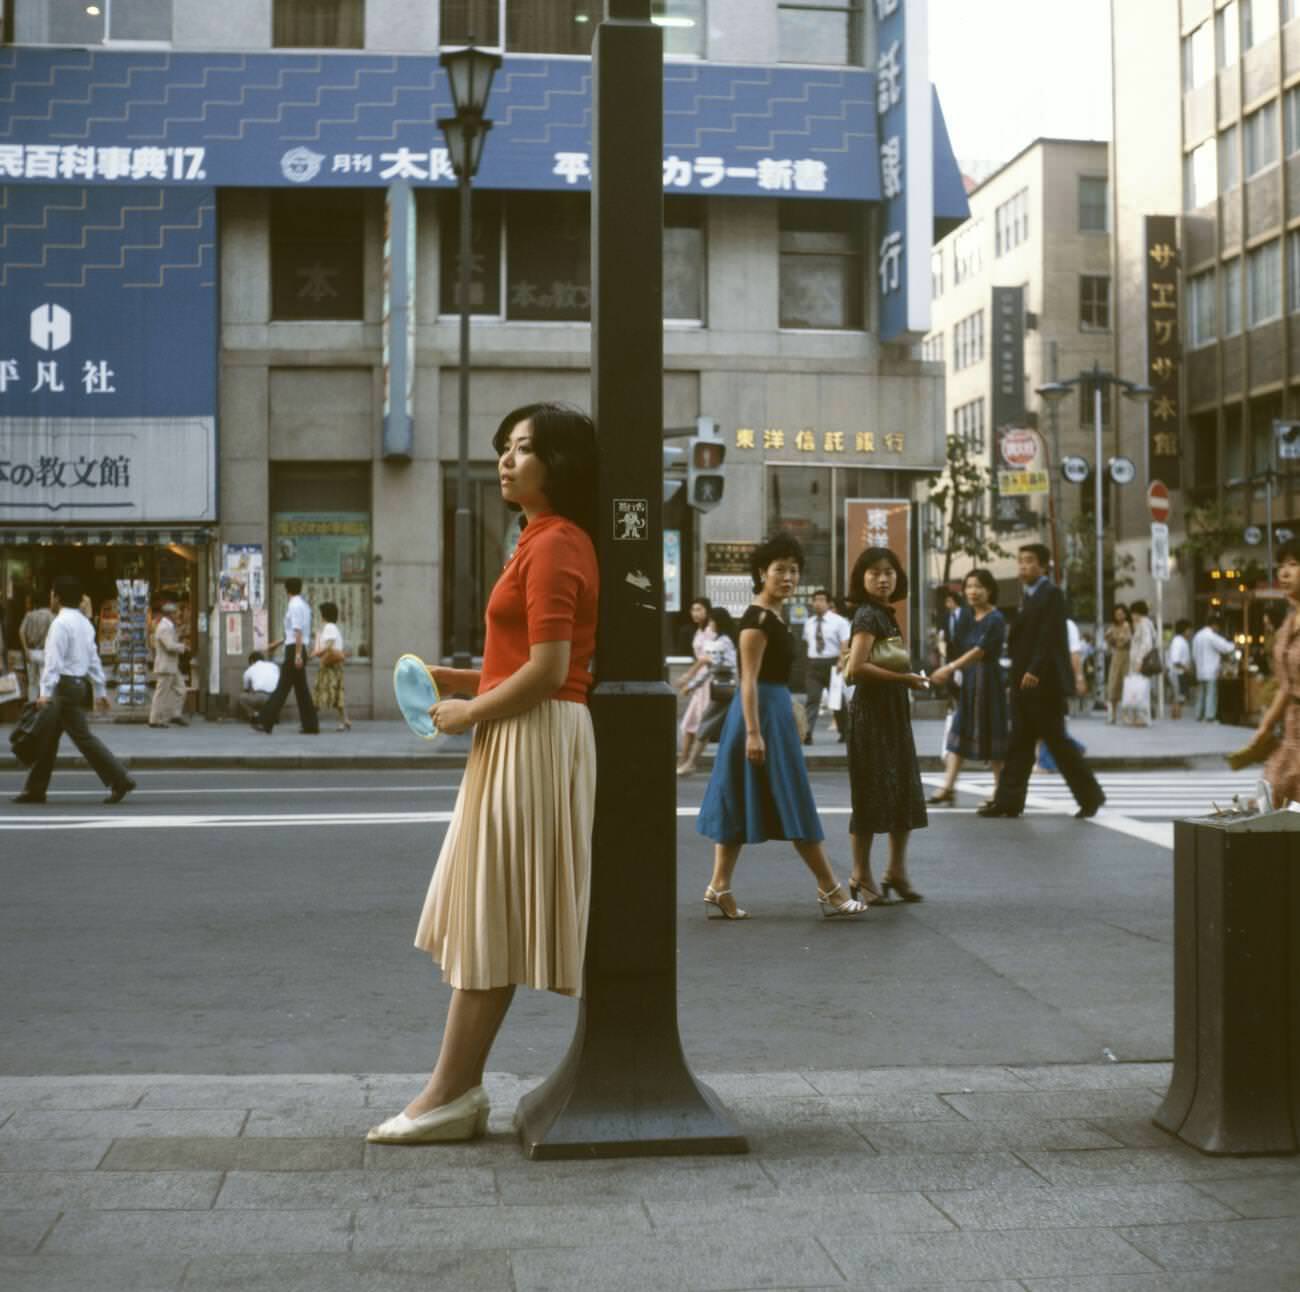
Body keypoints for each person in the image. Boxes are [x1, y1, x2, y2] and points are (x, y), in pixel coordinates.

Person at [368, 402, 599, 1145]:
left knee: (489, 914)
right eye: (504, 447)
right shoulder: (537, 540)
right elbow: (521, 665)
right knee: (485, 913)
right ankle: (454, 1088)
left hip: (530, 734)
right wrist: (455, 680)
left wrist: (471, 712)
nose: (506, 459)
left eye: (524, 448)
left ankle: (452, 1092)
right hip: (521, 731)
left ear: (558, 465)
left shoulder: (556, 543)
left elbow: (551, 671)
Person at [696, 532, 867, 921]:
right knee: (795, 797)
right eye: (780, 570)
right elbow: (748, 680)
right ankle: (831, 889)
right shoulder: (756, 619)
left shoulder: (773, 615)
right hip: (760, 716)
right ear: (762, 572)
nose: (788, 577)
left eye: (793, 570)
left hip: (770, 712)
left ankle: (718, 886)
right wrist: (755, 732)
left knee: (737, 797)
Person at [978, 544, 1105, 820]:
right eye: (1020, 561)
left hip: (1044, 685)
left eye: (1030, 561)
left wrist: (1034, 669)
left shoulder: (1052, 595)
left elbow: (1050, 636)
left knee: (1058, 744)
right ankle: (1008, 801)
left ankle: (1091, 797)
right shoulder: (1028, 595)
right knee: (1019, 743)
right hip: (1024, 684)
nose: (1023, 566)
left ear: (1045, 565)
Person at [842, 546, 930, 905]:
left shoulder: (886, 614)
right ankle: (861, 874)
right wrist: (904, 679)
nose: (883, 579)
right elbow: (856, 668)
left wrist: (904, 681)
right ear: (861, 579)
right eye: (875, 572)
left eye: (889, 572)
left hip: (892, 713)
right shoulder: (867, 616)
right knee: (870, 794)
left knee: (903, 790)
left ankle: (896, 870)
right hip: (871, 716)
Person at [13, 574, 136, 806]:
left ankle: (119, 779)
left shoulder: (60, 624)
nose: (51, 597)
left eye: (52, 593)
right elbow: (93, 659)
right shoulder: (84, 623)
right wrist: (99, 690)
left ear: (57, 597)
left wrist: (45, 693)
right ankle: (35, 789)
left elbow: (53, 662)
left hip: (63, 687)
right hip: (78, 685)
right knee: (49, 739)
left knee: (82, 738)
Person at [928, 568, 1008, 806]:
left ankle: (999, 788)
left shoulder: (996, 619)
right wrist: (955, 670)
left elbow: (979, 651)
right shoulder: (965, 617)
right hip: (970, 679)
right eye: (969, 586)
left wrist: (950, 668)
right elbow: (960, 647)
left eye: (978, 587)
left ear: (989, 590)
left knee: (992, 732)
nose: (973, 591)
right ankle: (948, 786)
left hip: (989, 680)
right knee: (959, 730)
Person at [1257, 540, 1300, 807]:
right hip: (1292, 730)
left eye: (1294, 564)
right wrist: (1265, 725)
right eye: (1281, 565)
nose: (1283, 572)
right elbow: (1286, 685)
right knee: (1275, 797)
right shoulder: (1288, 623)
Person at [253, 576, 319, 735]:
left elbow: (297, 631)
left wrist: (296, 655)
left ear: (287, 590)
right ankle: (311, 725)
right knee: (301, 689)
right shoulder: (303, 605)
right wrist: (277, 644)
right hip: (297, 648)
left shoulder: (294, 605)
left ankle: (265, 720)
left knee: (283, 687)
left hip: (294, 650)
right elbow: (293, 632)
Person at [686, 606, 739, 769]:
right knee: (729, 728)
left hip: (724, 689)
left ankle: (691, 763)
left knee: (706, 724)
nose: (709, 624)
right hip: (726, 688)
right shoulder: (722, 640)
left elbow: (720, 666)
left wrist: (693, 684)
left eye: (711, 621)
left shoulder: (723, 642)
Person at [801, 588, 851, 744]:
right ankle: (807, 733)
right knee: (812, 699)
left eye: (821, 600)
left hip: (833, 663)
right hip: (814, 664)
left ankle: (845, 732)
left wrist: (842, 661)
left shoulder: (839, 622)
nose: (817, 603)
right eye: (815, 600)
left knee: (837, 701)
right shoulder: (808, 623)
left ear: (829, 603)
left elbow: (845, 643)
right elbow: (806, 643)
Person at [674, 597, 717, 773]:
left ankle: (690, 762)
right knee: (688, 723)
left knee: (702, 723)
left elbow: (706, 658)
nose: (695, 613)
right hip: (699, 682)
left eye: (699, 609)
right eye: (693, 609)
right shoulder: (698, 631)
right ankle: (684, 760)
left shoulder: (710, 630)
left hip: (708, 681)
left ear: (707, 611)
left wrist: (688, 676)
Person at [147, 601, 188, 728]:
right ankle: (155, 719)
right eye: (176, 613)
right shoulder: (165, 627)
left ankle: (175, 714)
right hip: (166, 665)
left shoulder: (169, 625)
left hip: (171, 665)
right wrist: (183, 647)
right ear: (170, 614)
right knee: (162, 693)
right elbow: (169, 646)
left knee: (181, 689)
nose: (178, 615)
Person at [311, 600, 351, 732]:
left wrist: (316, 653)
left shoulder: (329, 627)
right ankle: (344, 720)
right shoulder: (332, 627)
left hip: (329, 665)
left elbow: (328, 645)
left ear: (324, 615)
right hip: (334, 664)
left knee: (320, 691)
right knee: (335, 692)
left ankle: (310, 720)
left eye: (321, 613)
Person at [1121, 599, 1158, 727]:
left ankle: (1142, 718)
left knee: (1140, 690)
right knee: (1140, 689)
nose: (1132, 616)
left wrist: (1139, 661)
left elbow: (1146, 644)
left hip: (1139, 662)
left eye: (1133, 613)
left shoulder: (1143, 623)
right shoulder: (1144, 624)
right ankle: (1138, 717)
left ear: (1138, 613)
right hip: (1137, 662)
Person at [1192, 614, 1236, 722]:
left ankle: (1198, 715)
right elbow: (1225, 647)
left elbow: (1193, 654)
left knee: (1201, 693)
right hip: (1210, 670)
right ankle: (1209, 716)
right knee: (1211, 694)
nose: (1218, 630)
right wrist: (1234, 645)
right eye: (1218, 627)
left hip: (1200, 669)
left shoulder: (1197, 635)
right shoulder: (1211, 636)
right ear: (1215, 625)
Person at [18, 592, 53, 703]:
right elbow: (53, 632)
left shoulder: (29, 615)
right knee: (44, 681)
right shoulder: (49, 615)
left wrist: (26, 650)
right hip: (44, 652)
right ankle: (43, 707)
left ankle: (31, 706)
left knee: (32, 682)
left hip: (31, 652)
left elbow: (21, 632)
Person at [1104, 604, 1132, 723]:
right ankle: (1112, 715)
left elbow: (1125, 641)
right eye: (1117, 614)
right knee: (1113, 684)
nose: (1119, 616)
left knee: (1125, 684)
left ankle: (1125, 715)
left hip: (1126, 657)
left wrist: (1115, 640)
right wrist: (1114, 640)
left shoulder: (1127, 626)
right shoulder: (1113, 627)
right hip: (1116, 657)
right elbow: (1109, 640)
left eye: (1121, 614)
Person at [240, 650, 280, 723]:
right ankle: (272, 715)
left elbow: (245, 689)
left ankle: (255, 715)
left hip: (261, 697)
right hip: (276, 697)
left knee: (243, 697)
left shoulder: (249, 670)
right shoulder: (273, 666)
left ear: (252, 661)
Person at [1166, 620, 1192, 720]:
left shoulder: (1180, 641)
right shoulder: (1178, 642)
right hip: (1178, 673)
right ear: (1185, 630)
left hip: (1178, 672)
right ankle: (1176, 715)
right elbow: (1175, 660)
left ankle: (1176, 715)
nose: (1190, 632)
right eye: (1189, 630)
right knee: (1179, 695)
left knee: (1179, 695)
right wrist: (1186, 669)